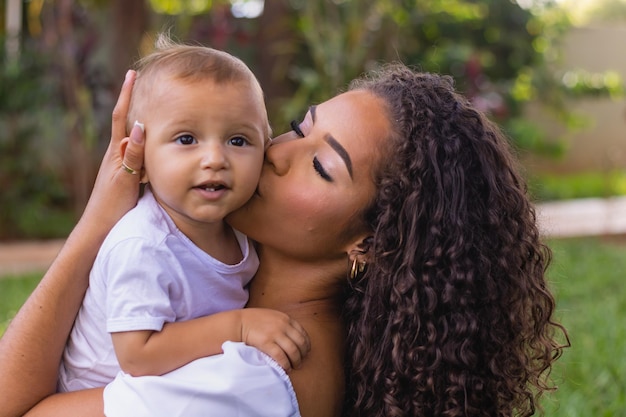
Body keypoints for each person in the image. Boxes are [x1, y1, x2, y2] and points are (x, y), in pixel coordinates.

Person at [0, 63, 567, 417]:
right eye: (298, 127)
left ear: (370, 246)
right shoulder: (232, 280)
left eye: (320, 166)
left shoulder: (247, 383)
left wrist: (97, 224)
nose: (273, 154)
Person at [58, 36, 309, 393]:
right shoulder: (143, 245)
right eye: (187, 139)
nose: (215, 159)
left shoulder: (240, 232)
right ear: (139, 160)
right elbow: (138, 355)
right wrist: (239, 327)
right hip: (97, 399)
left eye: (238, 141)